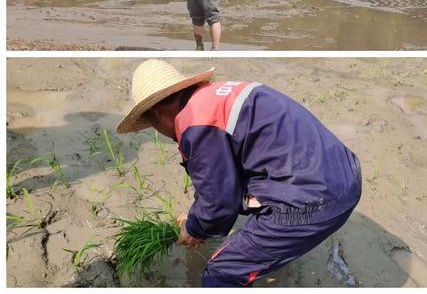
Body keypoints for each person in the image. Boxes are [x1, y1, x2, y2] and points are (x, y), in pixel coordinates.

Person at [117, 60, 362, 288]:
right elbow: (224, 180)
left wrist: (195, 228)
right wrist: (197, 216)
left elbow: (219, 203)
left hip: (314, 200)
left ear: (157, 113)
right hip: (346, 175)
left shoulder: (195, 123)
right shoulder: (220, 95)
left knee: (222, 273)